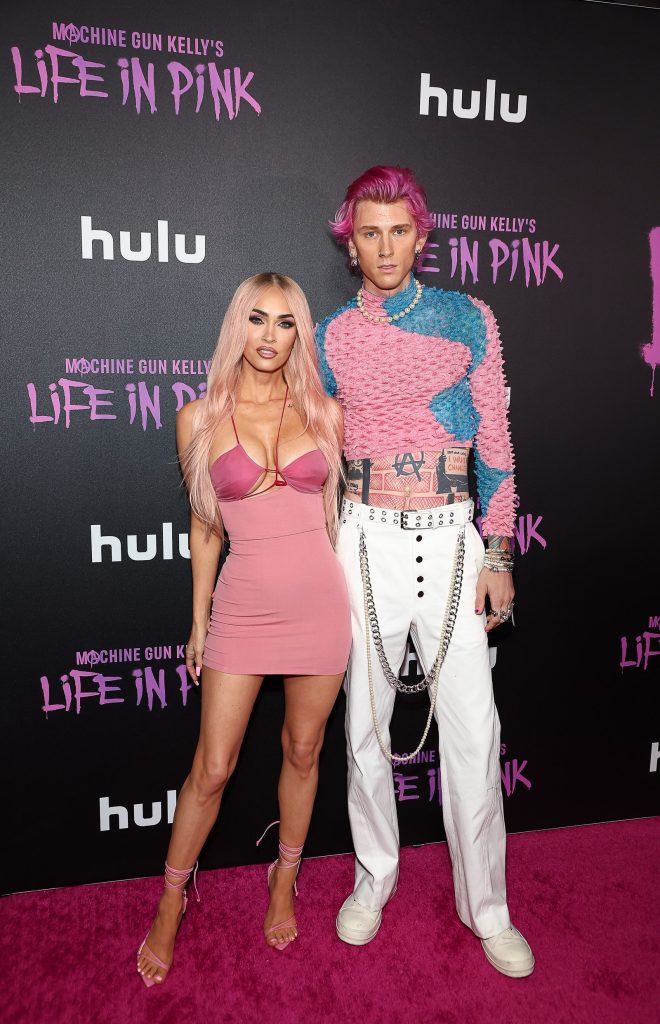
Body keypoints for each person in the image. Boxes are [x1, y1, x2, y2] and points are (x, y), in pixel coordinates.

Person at [316, 166, 535, 978]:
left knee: (475, 731)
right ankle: (373, 878)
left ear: (421, 236)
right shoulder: (329, 337)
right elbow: (319, 450)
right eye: (369, 233)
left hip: (451, 540)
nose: (385, 248)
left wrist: (498, 550)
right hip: (364, 539)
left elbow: (496, 443)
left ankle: (489, 909)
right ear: (351, 243)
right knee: (364, 729)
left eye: (398, 231)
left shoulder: (470, 318)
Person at [137, 273, 351, 986]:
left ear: (299, 335)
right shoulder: (199, 418)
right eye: (257, 319)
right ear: (238, 325)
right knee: (213, 768)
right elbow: (205, 528)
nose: (269, 335)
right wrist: (199, 621)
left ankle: (283, 879)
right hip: (243, 607)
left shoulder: (325, 412)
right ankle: (171, 900)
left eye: (285, 323)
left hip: (320, 606)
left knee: (304, 750)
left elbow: (340, 521)